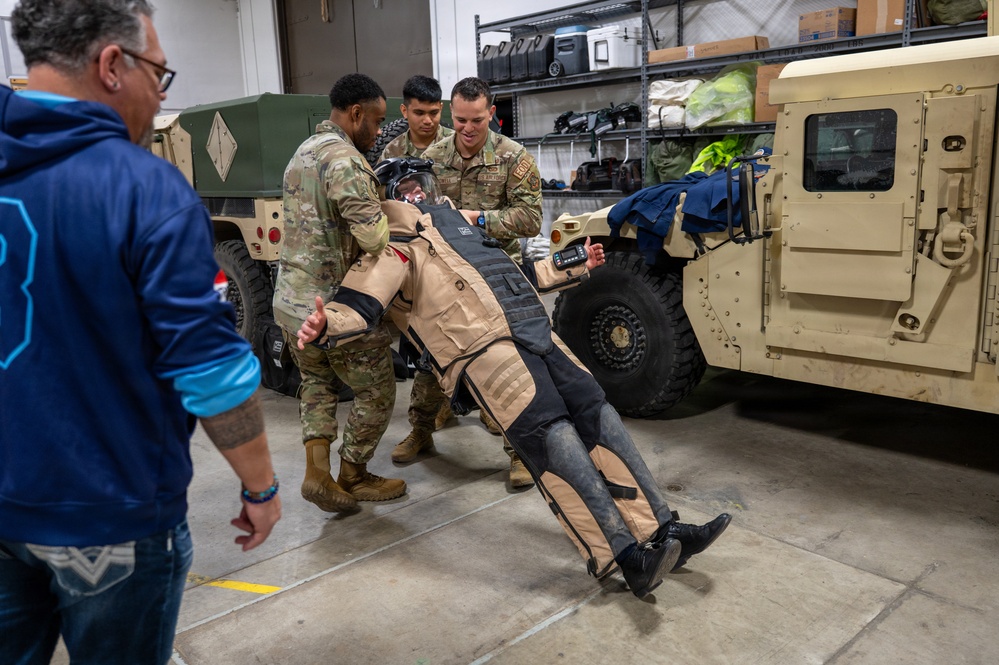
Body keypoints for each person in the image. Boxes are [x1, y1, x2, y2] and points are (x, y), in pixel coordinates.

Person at [295, 164, 731, 598]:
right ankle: (622, 554)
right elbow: (362, 300)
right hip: (483, 351)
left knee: (600, 416)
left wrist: (572, 268)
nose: (416, 196)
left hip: (534, 330)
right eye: (404, 191)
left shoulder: (464, 229)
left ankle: (662, 528)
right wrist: (327, 322)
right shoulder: (395, 244)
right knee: (553, 438)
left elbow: (518, 276)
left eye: (420, 187)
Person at [0, 2, 280, 663]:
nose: (159, 98)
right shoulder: (144, 189)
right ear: (111, 66)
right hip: (110, 516)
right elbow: (209, 370)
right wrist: (261, 487)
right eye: (159, 74)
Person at [393, 77, 543, 488]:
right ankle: (422, 432)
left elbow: (530, 219)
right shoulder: (432, 158)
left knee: (505, 365)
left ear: (490, 114)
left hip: (497, 275)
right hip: (443, 275)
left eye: (477, 120)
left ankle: (519, 452)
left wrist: (477, 218)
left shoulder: (514, 157)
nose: (468, 128)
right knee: (430, 356)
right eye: (459, 120)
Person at [272, 73, 405, 514]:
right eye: (378, 121)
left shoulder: (301, 153)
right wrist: (396, 210)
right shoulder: (346, 161)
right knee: (378, 390)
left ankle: (316, 474)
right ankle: (353, 472)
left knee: (315, 383)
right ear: (356, 114)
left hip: (292, 304)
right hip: (335, 308)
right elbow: (374, 240)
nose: (380, 130)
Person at [378, 74, 453, 161]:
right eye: (419, 113)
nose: (427, 121)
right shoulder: (392, 152)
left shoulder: (457, 144)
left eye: (434, 113)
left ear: (441, 108)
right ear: (404, 111)